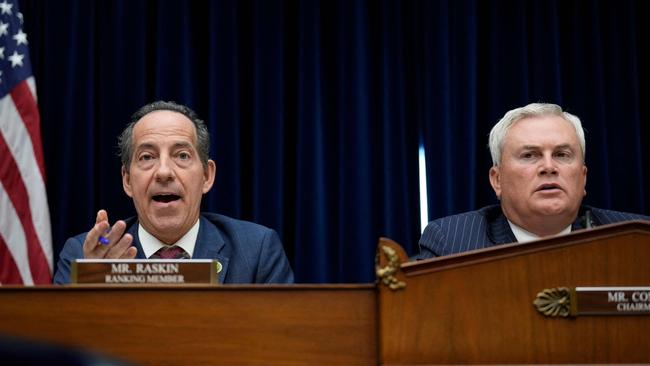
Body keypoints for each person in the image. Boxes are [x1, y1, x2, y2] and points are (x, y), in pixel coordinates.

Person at [54, 101, 293, 283]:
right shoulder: (83, 255)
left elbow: (280, 343)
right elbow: (65, 344)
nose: (164, 172)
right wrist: (92, 286)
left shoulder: (257, 250)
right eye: (147, 157)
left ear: (207, 176)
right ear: (127, 180)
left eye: (182, 155)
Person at [416, 102, 649, 259]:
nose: (548, 167)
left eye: (561, 155)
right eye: (530, 155)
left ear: (583, 177)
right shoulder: (452, 243)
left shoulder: (638, 240)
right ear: (497, 180)